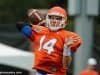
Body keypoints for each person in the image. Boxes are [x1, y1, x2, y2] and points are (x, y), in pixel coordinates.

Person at [16, 6, 82, 75]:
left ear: (64, 20)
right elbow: (20, 25)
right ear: (47, 18)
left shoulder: (68, 36)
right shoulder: (40, 31)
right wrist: (40, 23)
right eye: (52, 18)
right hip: (39, 72)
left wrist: (66, 48)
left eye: (58, 18)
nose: (54, 21)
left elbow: (66, 65)